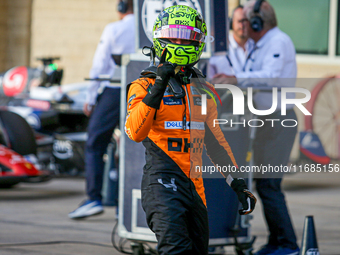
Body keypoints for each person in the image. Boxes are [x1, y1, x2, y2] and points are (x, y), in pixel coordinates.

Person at [124, 5, 256, 255]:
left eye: (188, 37)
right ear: (160, 37)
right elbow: (134, 132)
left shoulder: (204, 89)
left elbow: (216, 144)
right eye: (174, 36)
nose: (180, 42)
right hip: (161, 182)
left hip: (195, 188)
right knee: (176, 251)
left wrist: (238, 184)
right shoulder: (143, 85)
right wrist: (160, 84)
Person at [212, 1, 300, 255]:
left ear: (259, 22)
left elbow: (271, 77)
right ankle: (277, 241)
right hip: (266, 122)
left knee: (269, 185)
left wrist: (236, 79)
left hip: (278, 120)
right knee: (263, 184)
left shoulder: (277, 42)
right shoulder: (259, 45)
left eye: (247, 20)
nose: (243, 26)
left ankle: (287, 244)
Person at [68, 0, 135, 219]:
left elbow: (100, 64)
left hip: (114, 91)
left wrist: (90, 96)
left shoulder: (114, 29)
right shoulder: (149, 28)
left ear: (122, 7)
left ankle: (93, 198)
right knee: (133, 149)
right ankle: (124, 205)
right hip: (140, 92)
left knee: (95, 143)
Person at [207, 5, 254, 80]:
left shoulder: (255, 45)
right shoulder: (221, 47)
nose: (242, 25)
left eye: (245, 21)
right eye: (239, 21)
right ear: (231, 23)